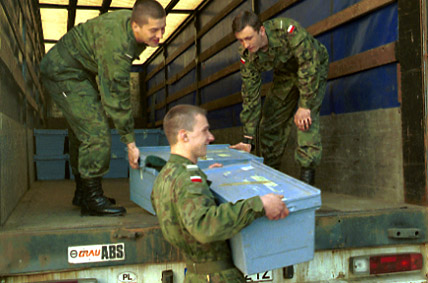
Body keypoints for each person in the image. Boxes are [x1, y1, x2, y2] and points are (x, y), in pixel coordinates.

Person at [40, 0, 166, 216]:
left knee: (83, 131)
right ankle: (92, 199)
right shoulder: (117, 46)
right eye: (154, 30)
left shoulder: (133, 24)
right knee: (96, 131)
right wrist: (130, 143)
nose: (160, 35)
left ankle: (83, 192)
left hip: (79, 70)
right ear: (136, 26)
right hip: (62, 72)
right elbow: (117, 97)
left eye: (163, 28)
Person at [151, 104, 289, 282]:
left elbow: (176, 208)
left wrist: (203, 178)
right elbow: (204, 226)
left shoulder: (166, 174)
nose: (211, 137)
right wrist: (259, 204)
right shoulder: (187, 178)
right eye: (205, 131)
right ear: (184, 136)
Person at [230, 11, 329, 185]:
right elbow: (250, 96)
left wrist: (305, 105)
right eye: (240, 40)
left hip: (313, 66)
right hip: (285, 74)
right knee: (269, 123)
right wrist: (248, 140)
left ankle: (307, 189)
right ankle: (271, 180)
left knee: (305, 122)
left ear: (261, 31)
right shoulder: (247, 57)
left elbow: (308, 62)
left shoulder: (287, 31)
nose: (245, 45)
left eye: (249, 38)